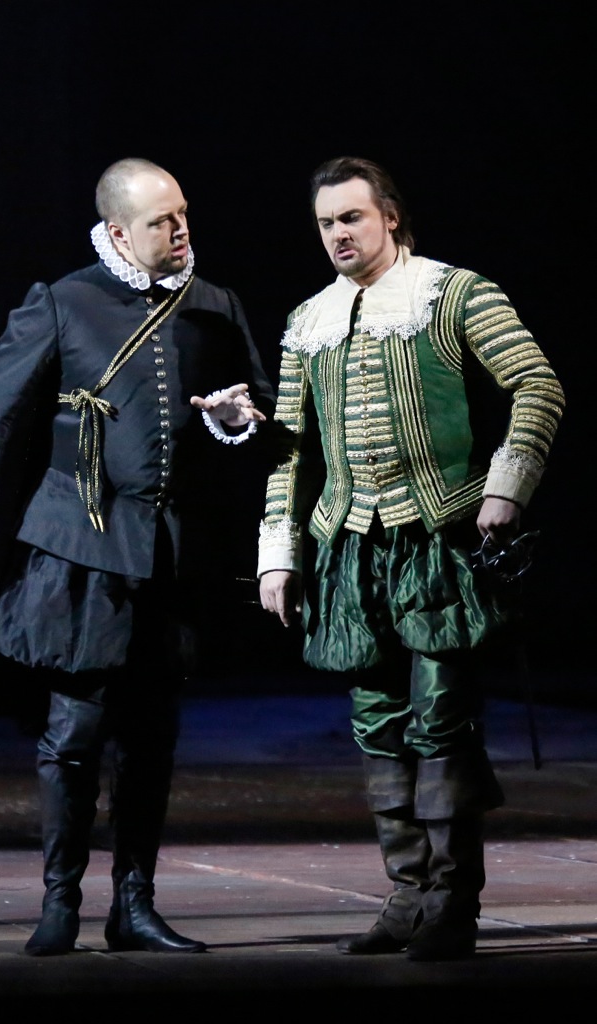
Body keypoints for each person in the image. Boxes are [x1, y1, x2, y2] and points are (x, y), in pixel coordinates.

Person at [0, 157, 275, 957]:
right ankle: (60, 903)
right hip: (78, 548)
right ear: (119, 233)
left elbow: (262, 412)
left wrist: (236, 419)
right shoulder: (63, 301)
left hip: (168, 555)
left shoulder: (216, 305)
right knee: (75, 733)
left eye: (183, 213)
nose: (180, 230)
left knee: (152, 737)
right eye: (161, 221)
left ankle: (134, 907)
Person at [258, 156, 564, 961]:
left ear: (389, 216)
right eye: (326, 223)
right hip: (349, 548)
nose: (338, 234)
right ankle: (406, 895)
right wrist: (277, 555)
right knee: (376, 721)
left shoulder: (453, 293)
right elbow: (290, 450)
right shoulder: (309, 321)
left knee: (441, 717)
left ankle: (452, 901)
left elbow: (537, 386)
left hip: (437, 540)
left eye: (351, 217)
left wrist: (506, 487)